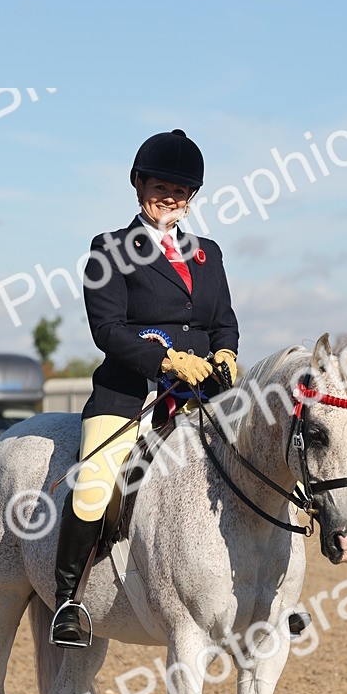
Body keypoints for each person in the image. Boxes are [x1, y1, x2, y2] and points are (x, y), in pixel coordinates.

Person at [51, 128, 240, 646]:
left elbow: (223, 320)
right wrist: (167, 359)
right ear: (138, 184)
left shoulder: (209, 254)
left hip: (202, 397)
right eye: (161, 186)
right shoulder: (108, 249)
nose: (171, 198)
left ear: (192, 197)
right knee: (93, 482)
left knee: (264, 456)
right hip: (131, 394)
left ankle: (271, 593)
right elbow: (106, 330)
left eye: (181, 191)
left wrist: (225, 351)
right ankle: (69, 602)